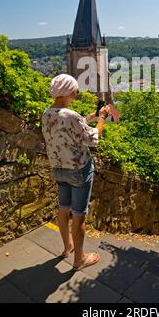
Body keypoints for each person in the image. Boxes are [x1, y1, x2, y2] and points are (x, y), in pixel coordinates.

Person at [42, 74, 111, 271]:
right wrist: (101, 118)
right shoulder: (71, 116)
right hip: (78, 170)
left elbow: (67, 129)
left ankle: (67, 248)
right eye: (74, 90)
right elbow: (93, 138)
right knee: (79, 215)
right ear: (67, 92)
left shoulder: (47, 113)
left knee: (63, 208)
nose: (76, 93)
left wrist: (88, 118)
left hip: (58, 168)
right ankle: (79, 260)